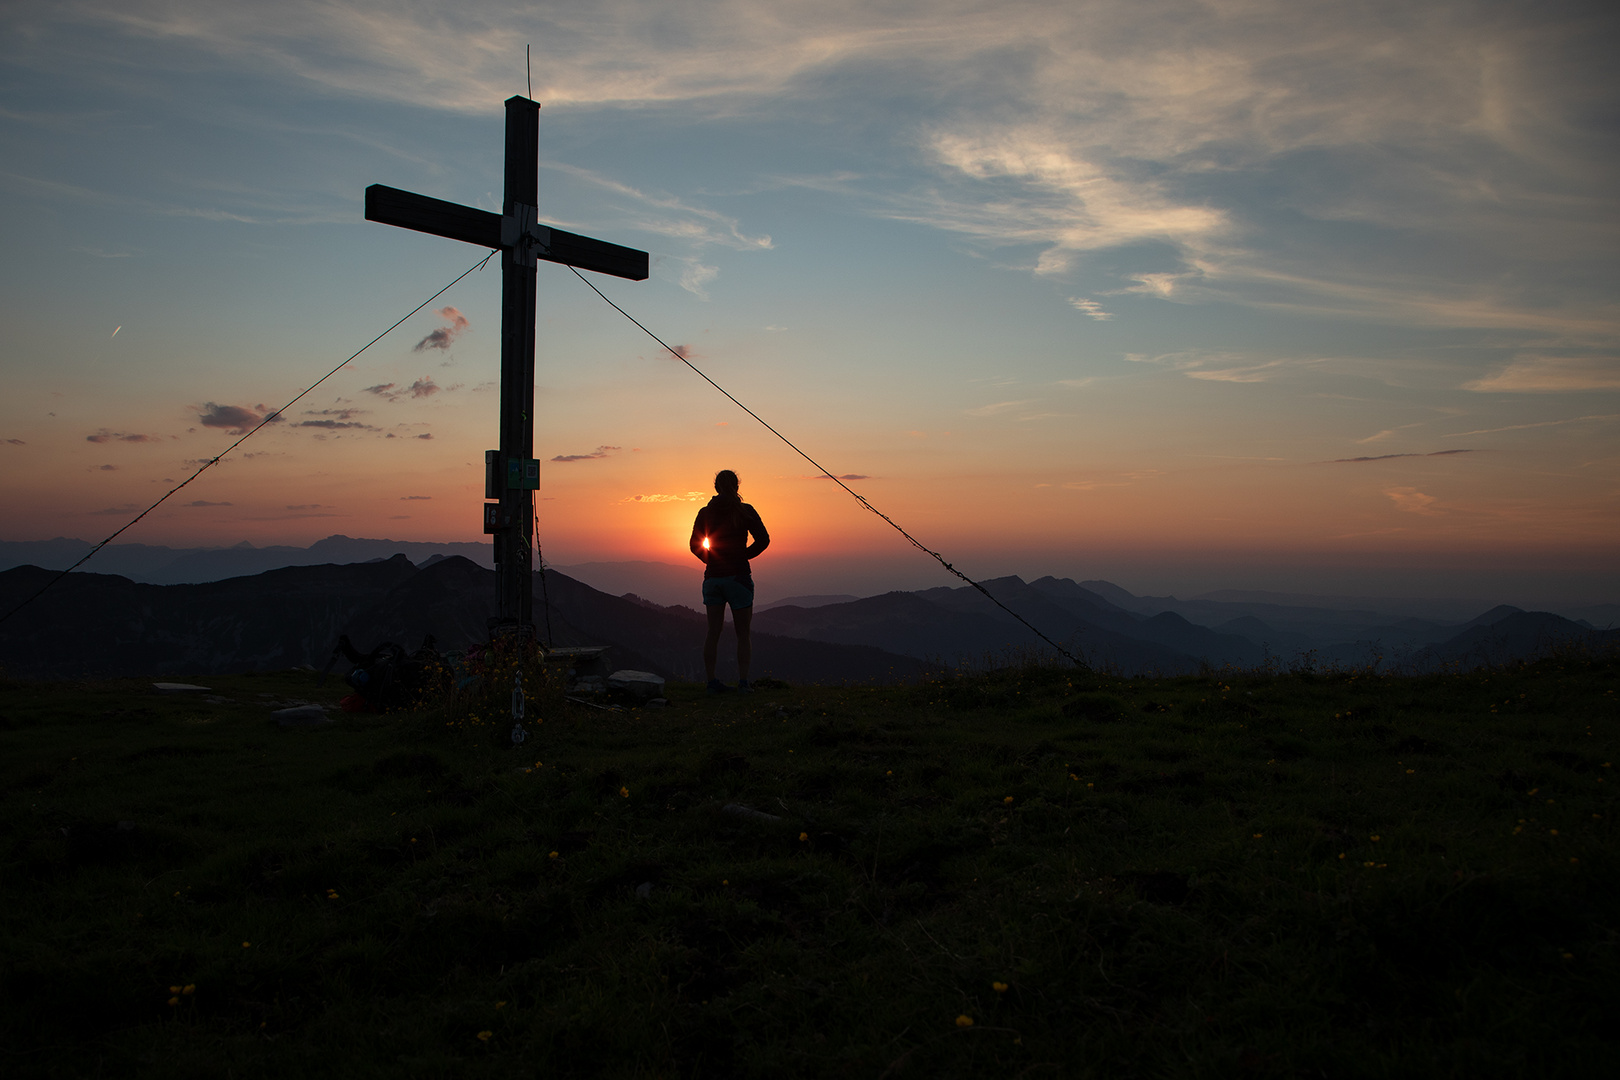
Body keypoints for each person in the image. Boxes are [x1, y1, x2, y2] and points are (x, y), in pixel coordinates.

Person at [689, 469, 770, 692]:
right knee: (743, 633)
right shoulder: (745, 511)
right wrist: (743, 556)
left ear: (716, 487)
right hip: (738, 578)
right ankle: (743, 683)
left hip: (713, 578)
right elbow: (763, 540)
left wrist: (711, 560)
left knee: (712, 632)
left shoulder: (705, 512)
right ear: (737, 486)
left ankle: (711, 682)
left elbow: (694, 545)